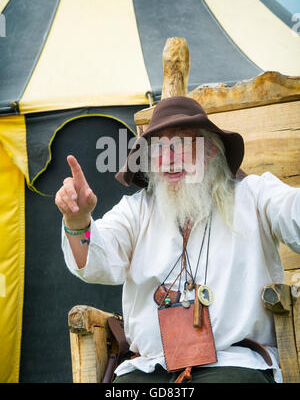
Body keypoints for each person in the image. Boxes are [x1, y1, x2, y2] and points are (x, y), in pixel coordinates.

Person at [55, 96, 300, 383]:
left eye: (183, 145)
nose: (169, 157)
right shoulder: (136, 210)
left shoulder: (255, 196)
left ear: (210, 151)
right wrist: (77, 222)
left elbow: (292, 211)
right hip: (150, 367)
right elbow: (97, 260)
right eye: (159, 148)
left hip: (233, 362)